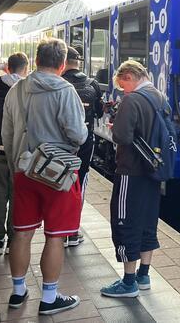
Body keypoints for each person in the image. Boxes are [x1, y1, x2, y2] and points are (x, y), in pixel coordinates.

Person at [2, 39, 87, 316]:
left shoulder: (16, 89)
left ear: (35, 60)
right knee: (55, 237)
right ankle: (49, 298)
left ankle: (17, 292)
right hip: (57, 173)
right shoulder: (66, 90)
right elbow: (78, 135)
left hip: (24, 170)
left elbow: (7, 133)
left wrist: (18, 162)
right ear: (62, 64)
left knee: (22, 233)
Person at [100, 60, 163, 298]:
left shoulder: (132, 99)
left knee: (125, 221)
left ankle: (128, 282)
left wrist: (114, 126)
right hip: (153, 170)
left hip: (131, 170)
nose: (122, 90)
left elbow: (122, 136)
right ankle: (143, 275)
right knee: (148, 221)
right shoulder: (159, 96)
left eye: (121, 84)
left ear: (129, 76)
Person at [0, 53, 29, 255]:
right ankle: (13, 238)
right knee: (16, 195)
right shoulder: (25, 88)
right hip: (18, 149)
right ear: (25, 67)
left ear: (7, 67)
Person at [61, 47, 103, 248]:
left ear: (63, 62)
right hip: (85, 142)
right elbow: (100, 112)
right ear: (79, 62)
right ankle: (73, 231)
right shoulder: (92, 84)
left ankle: (58, 229)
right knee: (80, 182)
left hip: (60, 143)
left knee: (59, 181)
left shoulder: (59, 83)